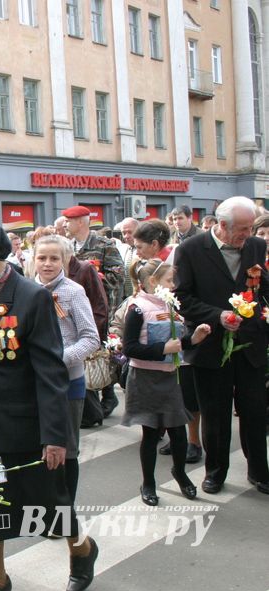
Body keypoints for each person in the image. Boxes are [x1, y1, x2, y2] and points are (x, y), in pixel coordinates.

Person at [0, 221, 97, 591]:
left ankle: (82, 549)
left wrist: (54, 437)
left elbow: (50, 372)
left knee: (50, 504)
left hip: (24, 426)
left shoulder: (31, 296)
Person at [174, 196, 269, 495]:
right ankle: (215, 471)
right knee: (214, 414)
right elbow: (183, 298)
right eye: (242, 229)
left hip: (251, 343)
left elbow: (262, 286)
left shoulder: (255, 245)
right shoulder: (190, 249)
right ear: (222, 225)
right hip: (211, 344)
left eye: (251, 227)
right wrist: (218, 316)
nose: (247, 234)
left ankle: (259, 471)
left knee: (255, 411)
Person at [121, 259, 210, 506]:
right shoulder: (137, 308)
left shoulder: (170, 305)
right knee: (150, 434)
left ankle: (179, 473)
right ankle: (148, 482)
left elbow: (178, 344)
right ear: (153, 282)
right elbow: (130, 348)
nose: (174, 285)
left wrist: (194, 338)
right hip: (146, 378)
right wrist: (162, 349)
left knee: (178, 433)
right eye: (170, 281)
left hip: (171, 376)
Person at [32, 235, 100, 503]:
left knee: (66, 450)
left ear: (66, 260)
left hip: (68, 383)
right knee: (40, 448)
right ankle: (46, 506)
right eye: (42, 258)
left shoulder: (73, 291)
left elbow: (90, 338)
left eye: (54, 258)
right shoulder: (27, 290)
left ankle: (65, 511)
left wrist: (59, 359)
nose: (47, 264)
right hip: (34, 383)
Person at [63, 206, 124, 423]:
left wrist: (95, 276)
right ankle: (94, 399)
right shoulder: (68, 247)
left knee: (102, 354)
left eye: (69, 221)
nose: (65, 225)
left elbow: (118, 275)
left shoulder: (104, 245)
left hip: (101, 306)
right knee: (86, 356)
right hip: (75, 307)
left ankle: (108, 395)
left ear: (81, 222)